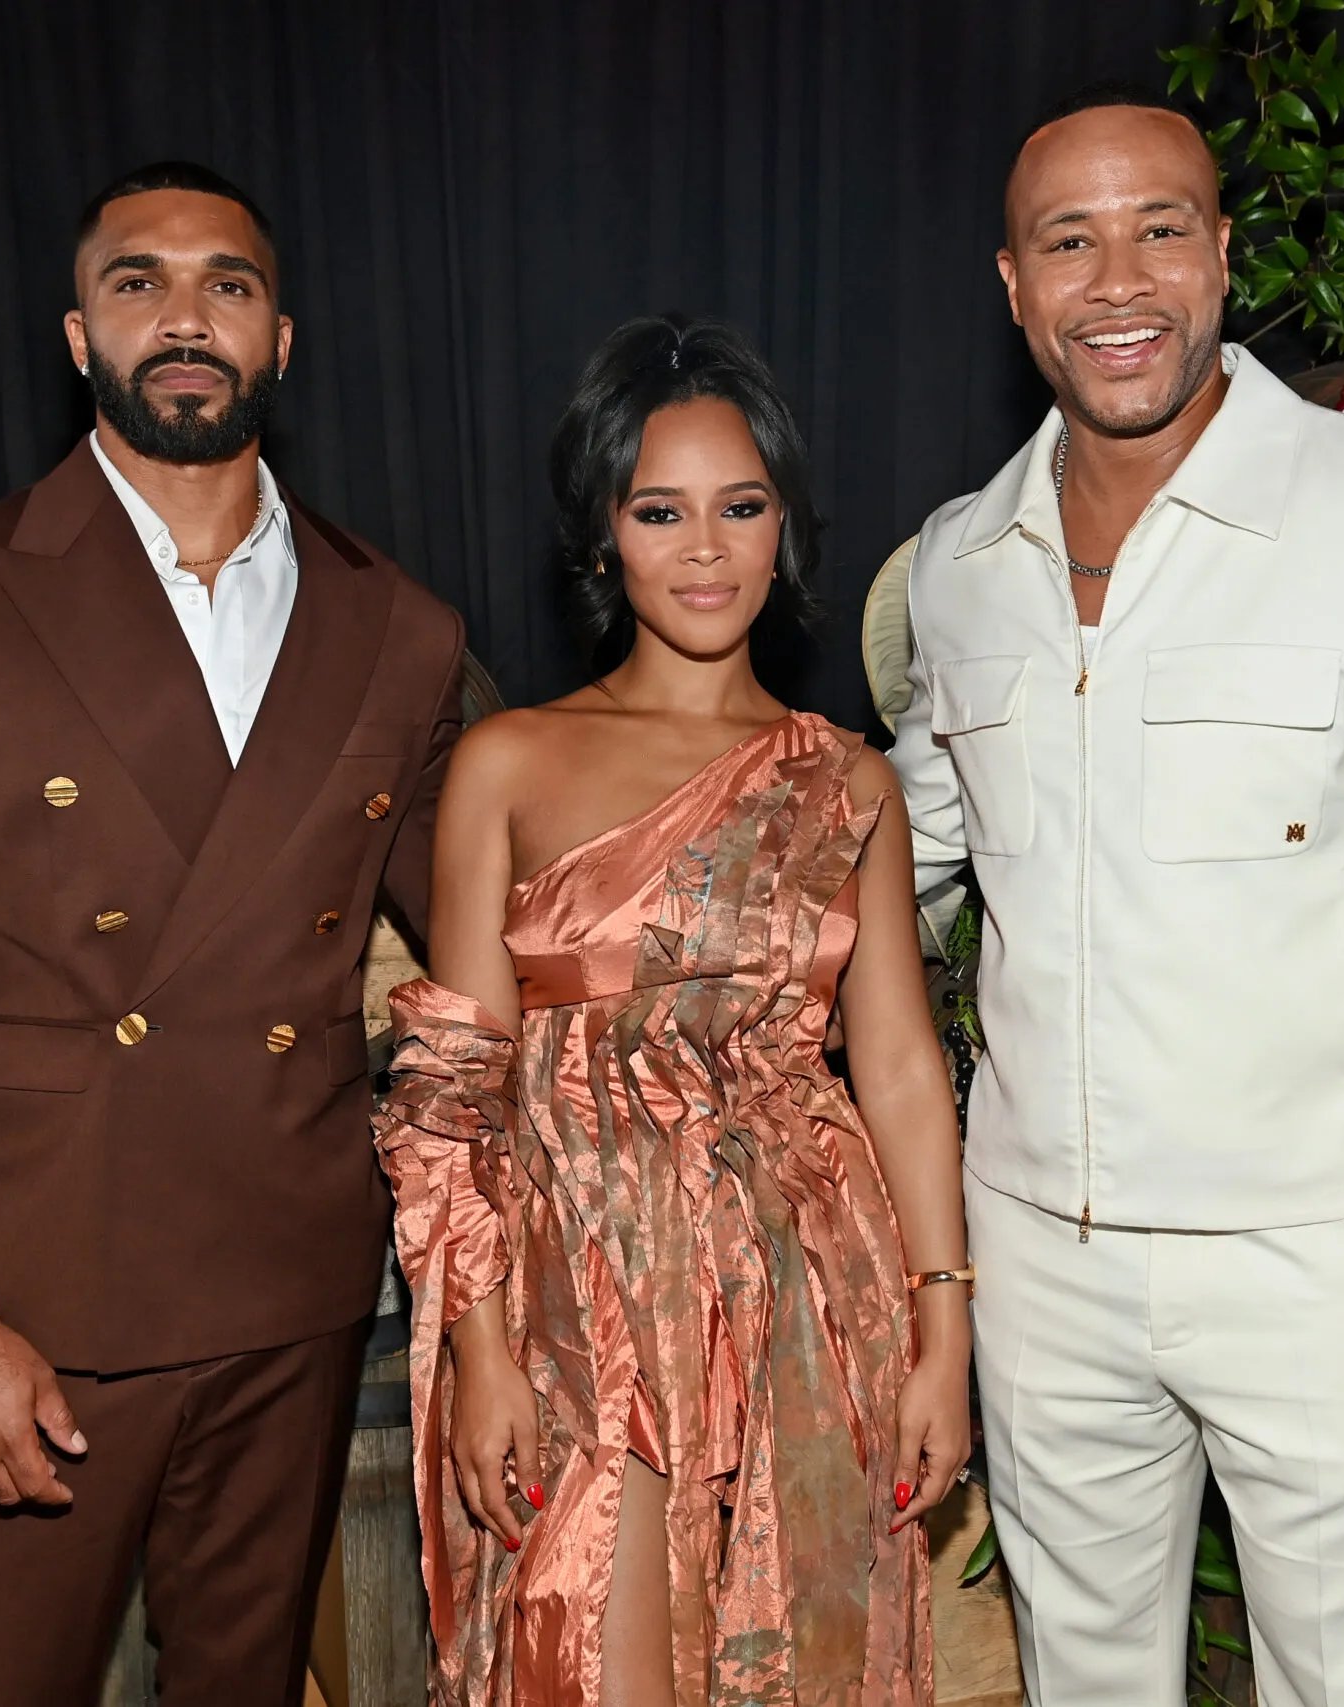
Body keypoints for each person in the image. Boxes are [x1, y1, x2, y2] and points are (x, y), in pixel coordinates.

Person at [887, 84, 1344, 1704]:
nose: (1119, 281)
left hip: (1335, 1270)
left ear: (1224, 255)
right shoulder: (961, 563)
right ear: (1011, 286)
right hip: (1041, 1262)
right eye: (1068, 242)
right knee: (1082, 1682)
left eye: (1160, 229)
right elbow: (905, 858)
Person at [0, 160, 466, 1706]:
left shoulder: (397, 624)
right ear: (77, 337)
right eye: (137, 283)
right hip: (38, 1292)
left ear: (280, 339)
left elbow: (497, 928)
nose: (184, 316)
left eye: (226, 284)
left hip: (292, 1279)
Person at [373, 314, 971, 1707]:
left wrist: (945, 1328)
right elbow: (451, 1087)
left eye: (740, 507)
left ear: (785, 528)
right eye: (660, 512)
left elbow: (895, 1065)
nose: (706, 550)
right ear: (603, 537)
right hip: (576, 1285)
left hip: (808, 1282)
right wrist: (478, 1347)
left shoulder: (847, 781)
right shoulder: (510, 761)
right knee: (586, 1659)